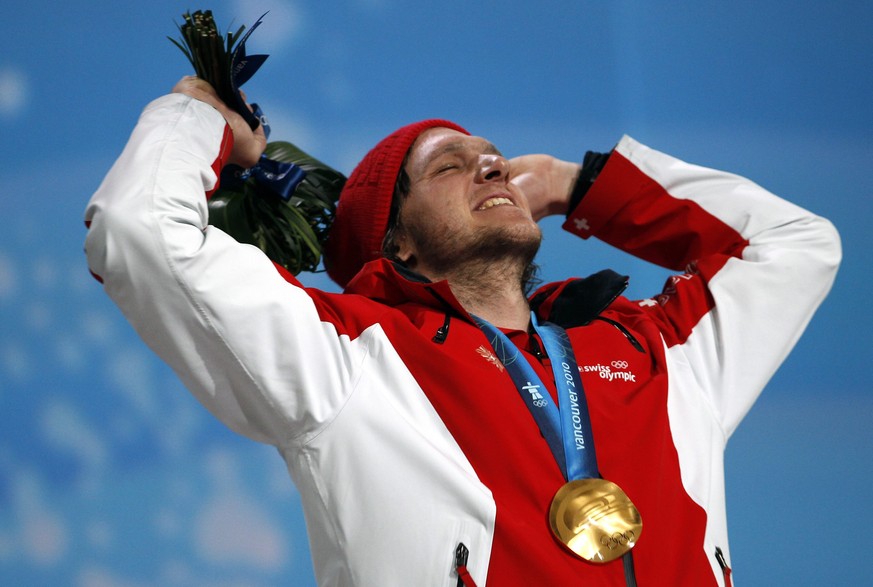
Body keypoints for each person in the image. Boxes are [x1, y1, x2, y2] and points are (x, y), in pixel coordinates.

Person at [84, 76, 840, 586]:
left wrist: (580, 184)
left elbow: (792, 246)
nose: (491, 169)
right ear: (396, 241)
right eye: (451, 166)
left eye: (495, 161)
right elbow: (140, 231)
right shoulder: (346, 355)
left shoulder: (657, 349)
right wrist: (197, 118)